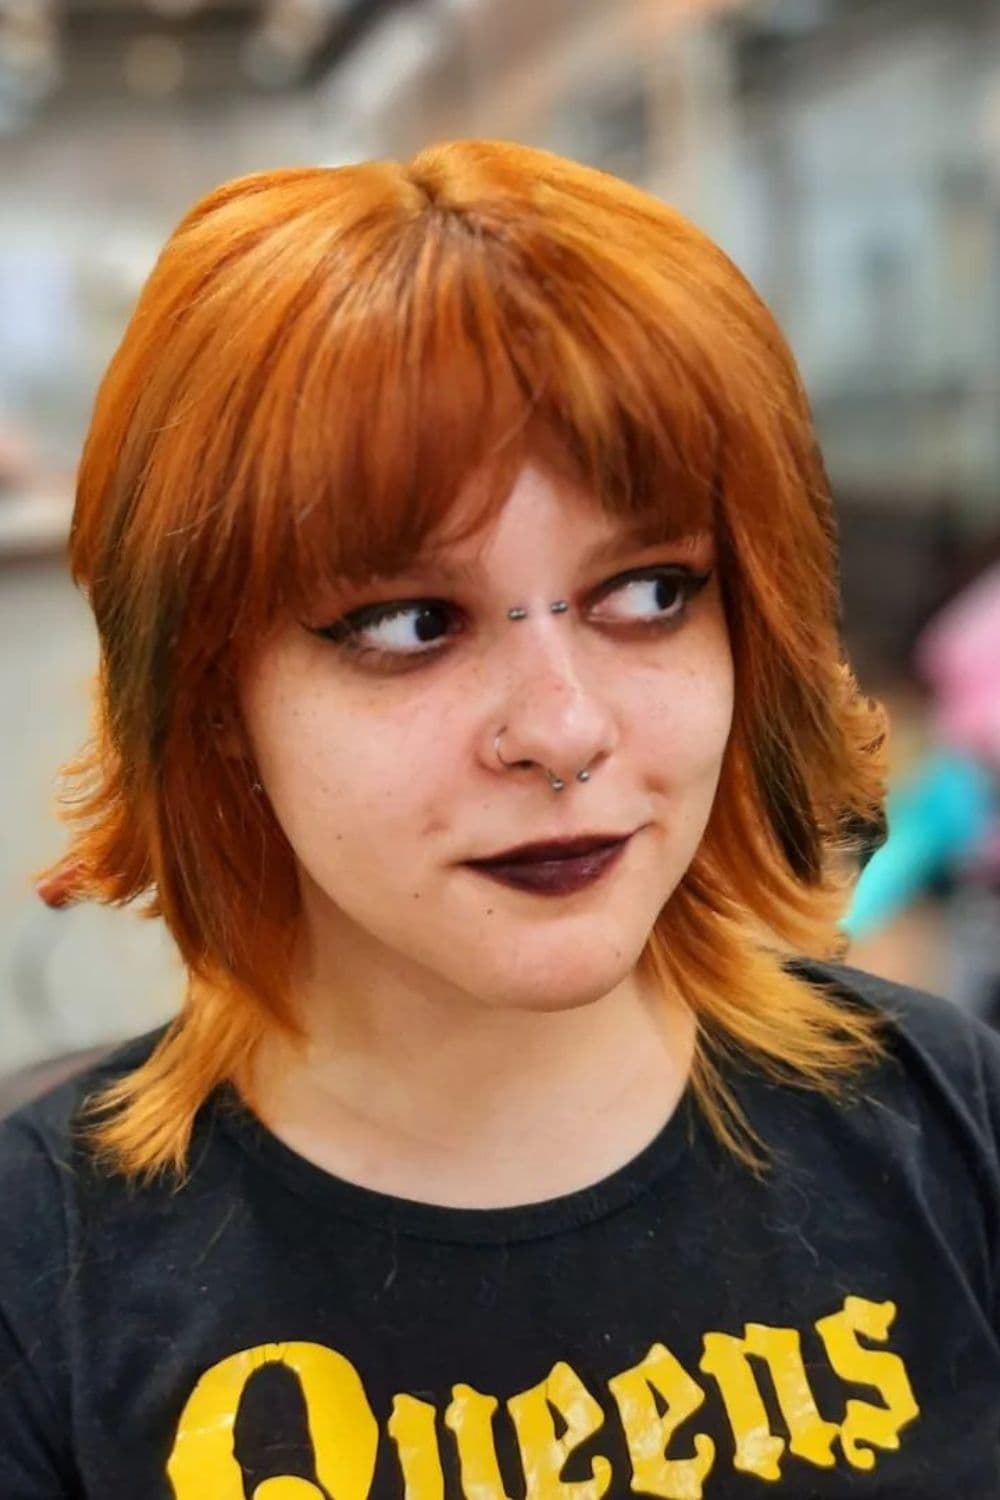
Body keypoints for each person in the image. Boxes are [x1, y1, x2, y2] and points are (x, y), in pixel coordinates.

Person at [1, 140, 998, 1499]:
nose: (564, 728)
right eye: (411, 624)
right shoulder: (43, 1285)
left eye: (649, 592)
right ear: (211, 692)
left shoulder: (947, 1132)